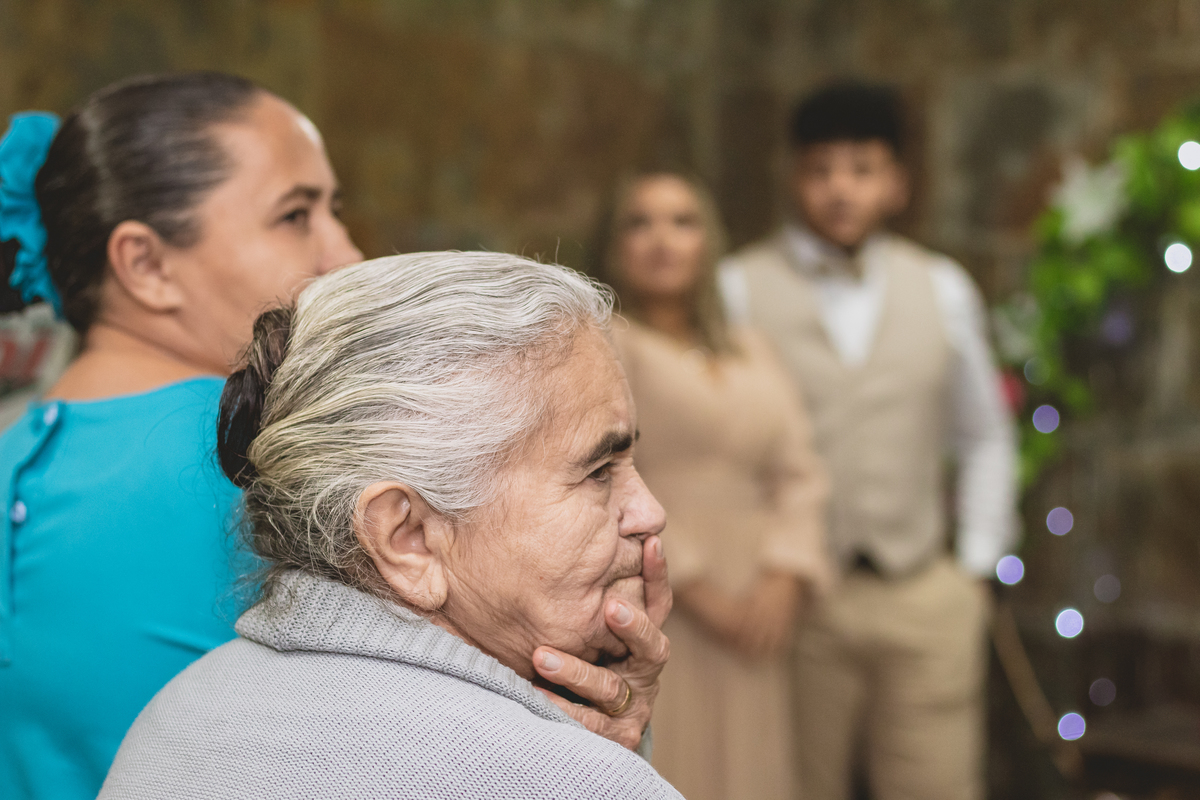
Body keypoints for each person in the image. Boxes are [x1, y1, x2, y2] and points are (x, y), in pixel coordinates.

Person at [0, 72, 665, 800]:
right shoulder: (239, 469)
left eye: (336, 210)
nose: (343, 251)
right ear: (147, 265)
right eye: (295, 215)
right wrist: (583, 760)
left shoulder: (20, 447)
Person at [99, 252, 680, 799]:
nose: (648, 512)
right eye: (599, 471)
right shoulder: (562, 781)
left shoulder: (170, 718)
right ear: (409, 540)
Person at [719, 82, 1018, 800]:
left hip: (920, 592)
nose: (840, 190)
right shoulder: (736, 289)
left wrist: (978, 568)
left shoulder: (943, 288)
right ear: (793, 178)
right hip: (796, 605)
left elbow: (984, 435)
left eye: (861, 169)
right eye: (820, 170)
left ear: (897, 183)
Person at [594, 172, 832, 800]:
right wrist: (698, 589)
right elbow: (607, 474)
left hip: (761, 603)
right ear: (614, 246)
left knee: (755, 768)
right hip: (660, 590)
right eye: (640, 222)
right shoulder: (608, 345)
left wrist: (784, 576)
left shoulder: (752, 349)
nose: (661, 239)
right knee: (680, 760)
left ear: (709, 243)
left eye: (682, 221)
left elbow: (799, 472)